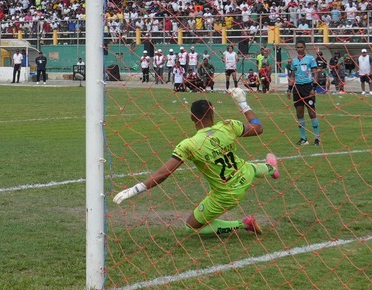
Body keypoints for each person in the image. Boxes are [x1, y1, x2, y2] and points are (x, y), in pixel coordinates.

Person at [112, 90, 279, 237]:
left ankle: (244, 224)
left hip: (227, 194)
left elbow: (164, 173)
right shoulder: (228, 126)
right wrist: (242, 102)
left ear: (192, 117)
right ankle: (270, 168)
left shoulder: (189, 145)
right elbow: (258, 128)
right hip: (245, 173)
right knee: (246, 166)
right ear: (213, 113)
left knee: (191, 228)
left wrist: (136, 189)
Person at [287, 42, 321, 146]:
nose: (299, 49)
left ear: (305, 48)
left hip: (308, 87)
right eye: (297, 47)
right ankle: (303, 138)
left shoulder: (310, 59)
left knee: (312, 113)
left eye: (301, 47)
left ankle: (317, 138)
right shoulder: (294, 61)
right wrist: (289, 89)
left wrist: (314, 88)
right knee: (299, 113)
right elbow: (292, 76)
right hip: (297, 88)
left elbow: (315, 73)